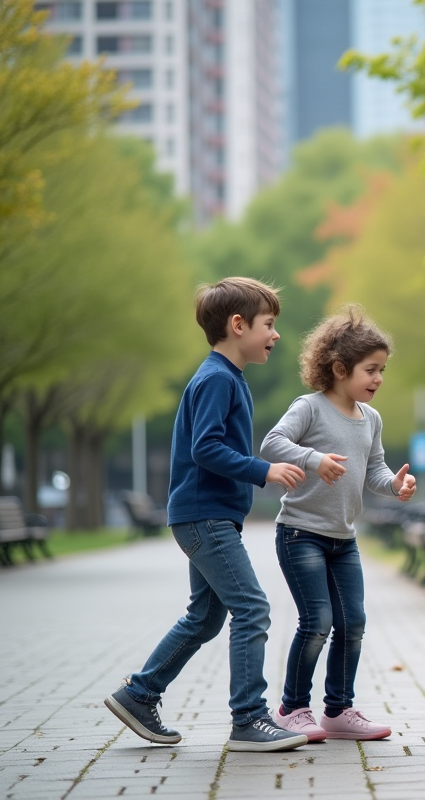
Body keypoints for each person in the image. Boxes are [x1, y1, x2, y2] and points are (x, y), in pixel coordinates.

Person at [104, 277, 310, 753]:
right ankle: (249, 719)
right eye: (269, 325)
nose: (275, 335)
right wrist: (265, 470)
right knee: (253, 607)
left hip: (205, 516)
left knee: (205, 617)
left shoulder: (225, 377)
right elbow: (207, 447)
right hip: (205, 517)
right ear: (238, 325)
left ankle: (139, 694)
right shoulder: (218, 378)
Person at [260, 306, 417, 742]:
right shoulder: (309, 408)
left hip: (343, 540)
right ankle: (292, 709)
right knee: (317, 622)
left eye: (382, 369)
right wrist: (313, 459)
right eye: (371, 369)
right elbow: (272, 442)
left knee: (354, 623)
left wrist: (396, 486)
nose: (379, 378)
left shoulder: (372, 419)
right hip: (300, 534)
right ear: (339, 368)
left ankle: (338, 710)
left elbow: (375, 471)